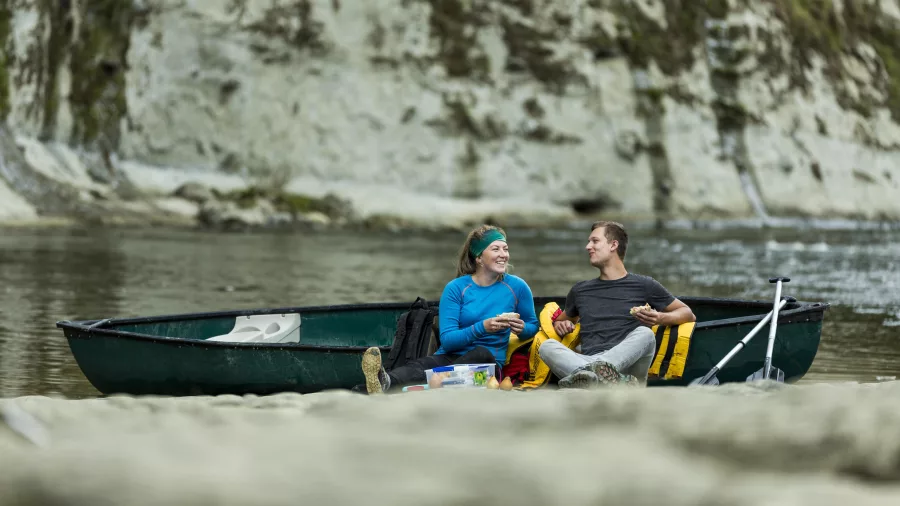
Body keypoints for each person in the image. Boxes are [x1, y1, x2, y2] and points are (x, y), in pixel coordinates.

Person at [358, 225, 540, 394]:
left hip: (488, 368)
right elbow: (449, 341)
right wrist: (482, 327)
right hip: (449, 357)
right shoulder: (456, 288)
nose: (503, 254)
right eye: (496, 249)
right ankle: (385, 381)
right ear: (478, 258)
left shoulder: (517, 287)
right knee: (423, 364)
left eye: (505, 249)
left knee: (481, 352)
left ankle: (438, 380)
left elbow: (532, 326)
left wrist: (522, 328)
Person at [539, 220, 695, 388]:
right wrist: (563, 324)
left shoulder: (644, 285)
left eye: (595, 241)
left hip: (630, 368)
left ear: (613, 245)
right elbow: (563, 320)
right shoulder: (580, 290)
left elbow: (687, 313)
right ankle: (596, 376)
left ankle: (591, 375)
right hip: (588, 360)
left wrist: (659, 317)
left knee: (645, 334)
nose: (588, 246)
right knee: (547, 347)